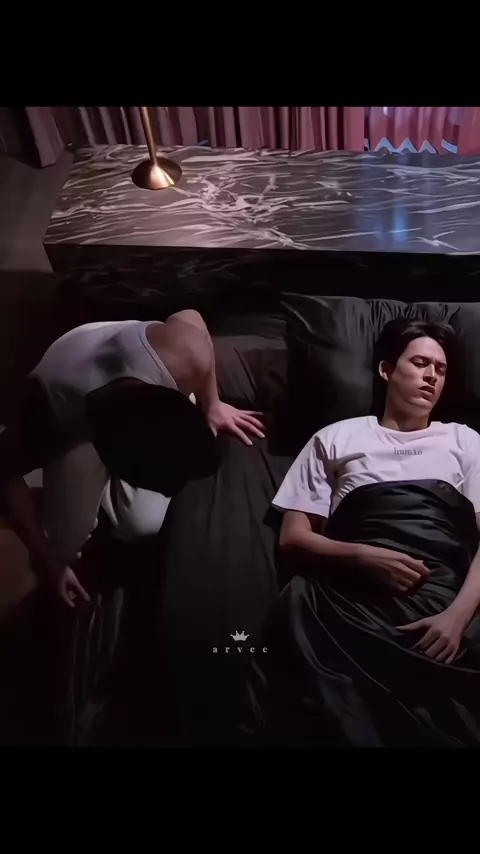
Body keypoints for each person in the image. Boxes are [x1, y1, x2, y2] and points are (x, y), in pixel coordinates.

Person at [244, 318, 480, 747]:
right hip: (350, 598)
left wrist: (457, 618)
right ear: (387, 370)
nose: (431, 376)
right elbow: (293, 538)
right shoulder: (337, 438)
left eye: (441, 370)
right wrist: (363, 556)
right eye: (420, 363)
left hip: (441, 603)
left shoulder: (464, 442)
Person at [0, 311, 265, 609]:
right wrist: (47, 560)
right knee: (65, 542)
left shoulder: (183, 356)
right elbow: (5, 471)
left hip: (123, 357)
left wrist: (212, 404)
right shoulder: (50, 412)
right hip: (72, 398)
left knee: (141, 525)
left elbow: (192, 317)